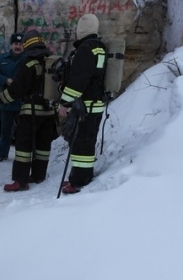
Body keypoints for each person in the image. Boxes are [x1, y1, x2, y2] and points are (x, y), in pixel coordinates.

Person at [0, 30, 55, 192]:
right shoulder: (51, 61)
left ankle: (20, 181)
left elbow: (16, 90)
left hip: (31, 113)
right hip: (50, 112)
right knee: (43, 145)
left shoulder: (27, 63)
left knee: (23, 146)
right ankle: (38, 175)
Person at [58, 13, 107, 194]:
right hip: (94, 104)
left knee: (81, 144)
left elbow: (79, 80)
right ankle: (80, 176)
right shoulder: (99, 47)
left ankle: (79, 181)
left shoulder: (85, 49)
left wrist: (64, 103)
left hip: (85, 106)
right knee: (86, 141)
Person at [0, 32, 24, 162]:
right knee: (5, 129)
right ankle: (2, 154)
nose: (18, 46)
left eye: (20, 44)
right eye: (16, 44)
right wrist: (5, 80)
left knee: (22, 131)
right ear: (11, 45)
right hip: (6, 102)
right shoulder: (2, 59)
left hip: (22, 103)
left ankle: (22, 156)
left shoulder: (27, 59)